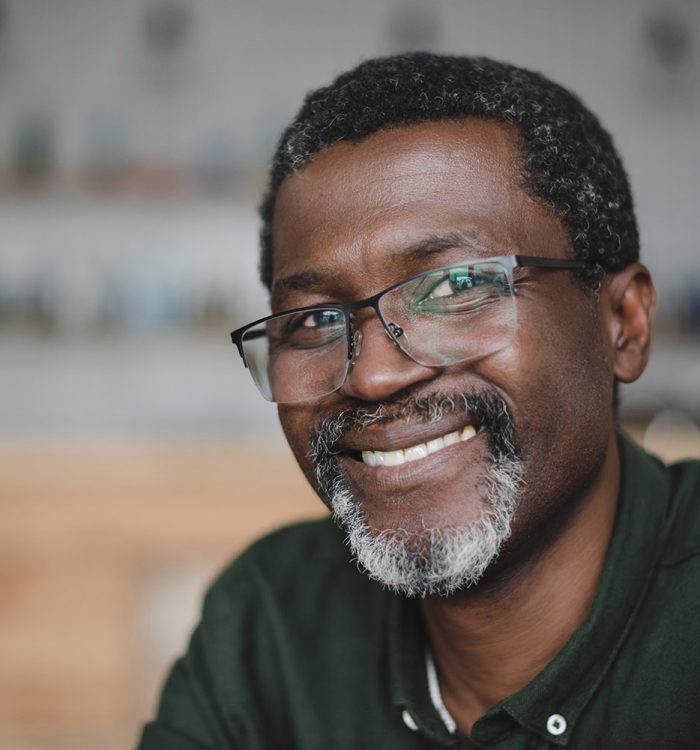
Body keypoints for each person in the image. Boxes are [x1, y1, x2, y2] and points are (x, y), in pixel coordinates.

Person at [137, 53, 700, 749]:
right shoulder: (270, 623)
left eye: (456, 287)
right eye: (313, 321)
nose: (372, 376)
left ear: (625, 322)